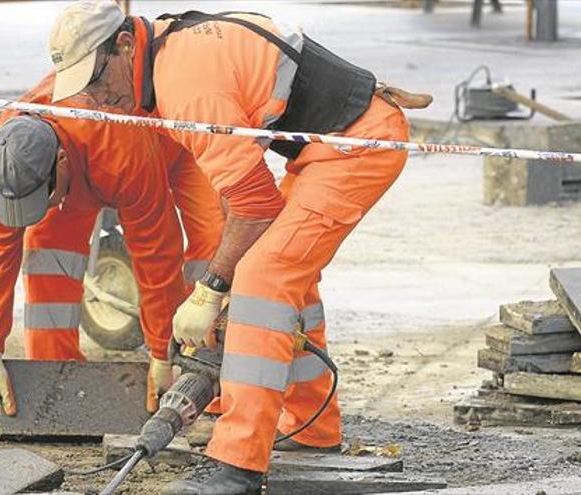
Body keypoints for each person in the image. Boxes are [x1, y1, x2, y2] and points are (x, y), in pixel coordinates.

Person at [47, 2, 430, 493]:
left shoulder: (185, 83)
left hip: (358, 145)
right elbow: (240, 197)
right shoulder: (175, 50)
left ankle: (238, 465)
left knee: (264, 277)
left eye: (98, 81)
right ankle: (313, 428)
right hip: (335, 141)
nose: (101, 98)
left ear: (124, 45)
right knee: (285, 270)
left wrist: (210, 290)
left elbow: (255, 206)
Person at [0, 74, 223, 420]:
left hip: (176, 144)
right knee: (46, 254)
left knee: (215, 253)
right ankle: (54, 378)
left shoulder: (119, 150)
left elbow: (156, 257)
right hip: (79, 166)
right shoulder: (2, 160)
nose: (35, 211)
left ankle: (207, 385)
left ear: (59, 162)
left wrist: (162, 355)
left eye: (40, 199)